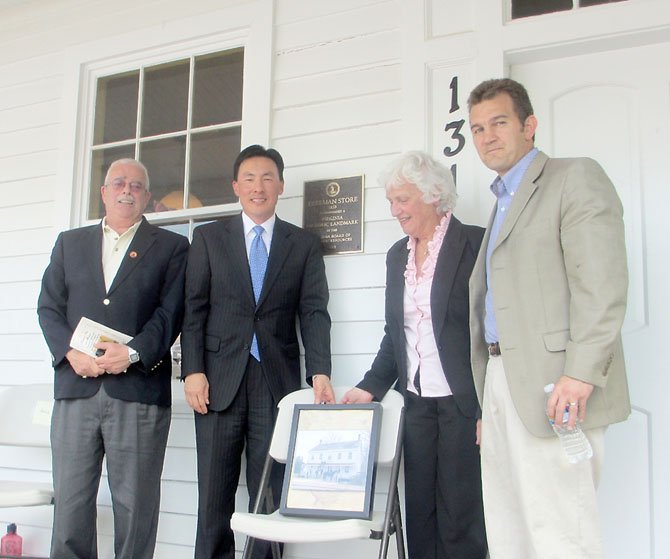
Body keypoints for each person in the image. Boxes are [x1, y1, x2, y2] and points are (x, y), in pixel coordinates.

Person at [467, 78, 631, 558]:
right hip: (500, 383)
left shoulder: (574, 177)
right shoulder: (501, 202)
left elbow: (601, 287)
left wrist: (579, 375)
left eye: (499, 123)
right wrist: (488, 399)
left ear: (529, 125)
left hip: (556, 387)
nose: (487, 137)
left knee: (562, 534)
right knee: (508, 527)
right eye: (477, 129)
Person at [181, 144, 335, 559]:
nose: (258, 186)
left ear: (281, 185)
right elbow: (193, 309)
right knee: (214, 494)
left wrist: (320, 371)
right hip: (216, 383)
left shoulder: (302, 244)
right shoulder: (209, 238)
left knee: (269, 493)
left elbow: (314, 311)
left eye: (268, 177)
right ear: (236, 186)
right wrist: (191, 371)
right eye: (249, 178)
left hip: (276, 385)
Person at [37, 158, 189, 559]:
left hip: (137, 393)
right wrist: (70, 354)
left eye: (137, 185)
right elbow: (49, 308)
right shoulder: (70, 243)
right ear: (103, 192)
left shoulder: (172, 247)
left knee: (136, 509)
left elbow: (171, 313)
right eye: (118, 183)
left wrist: (134, 352)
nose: (127, 190)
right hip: (76, 391)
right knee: (70, 509)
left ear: (147, 196)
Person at [341, 151, 487, 559]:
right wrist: (370, 386)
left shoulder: (475, 243)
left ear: (433, 195)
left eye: (402, 199)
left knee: (462, 515)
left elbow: (493, 331)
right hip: (418, 402)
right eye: (391, 201)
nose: (395, 210)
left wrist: (488, 407)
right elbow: (397, 333)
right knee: (420, 510)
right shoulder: (397, 256)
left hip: (464, 402)